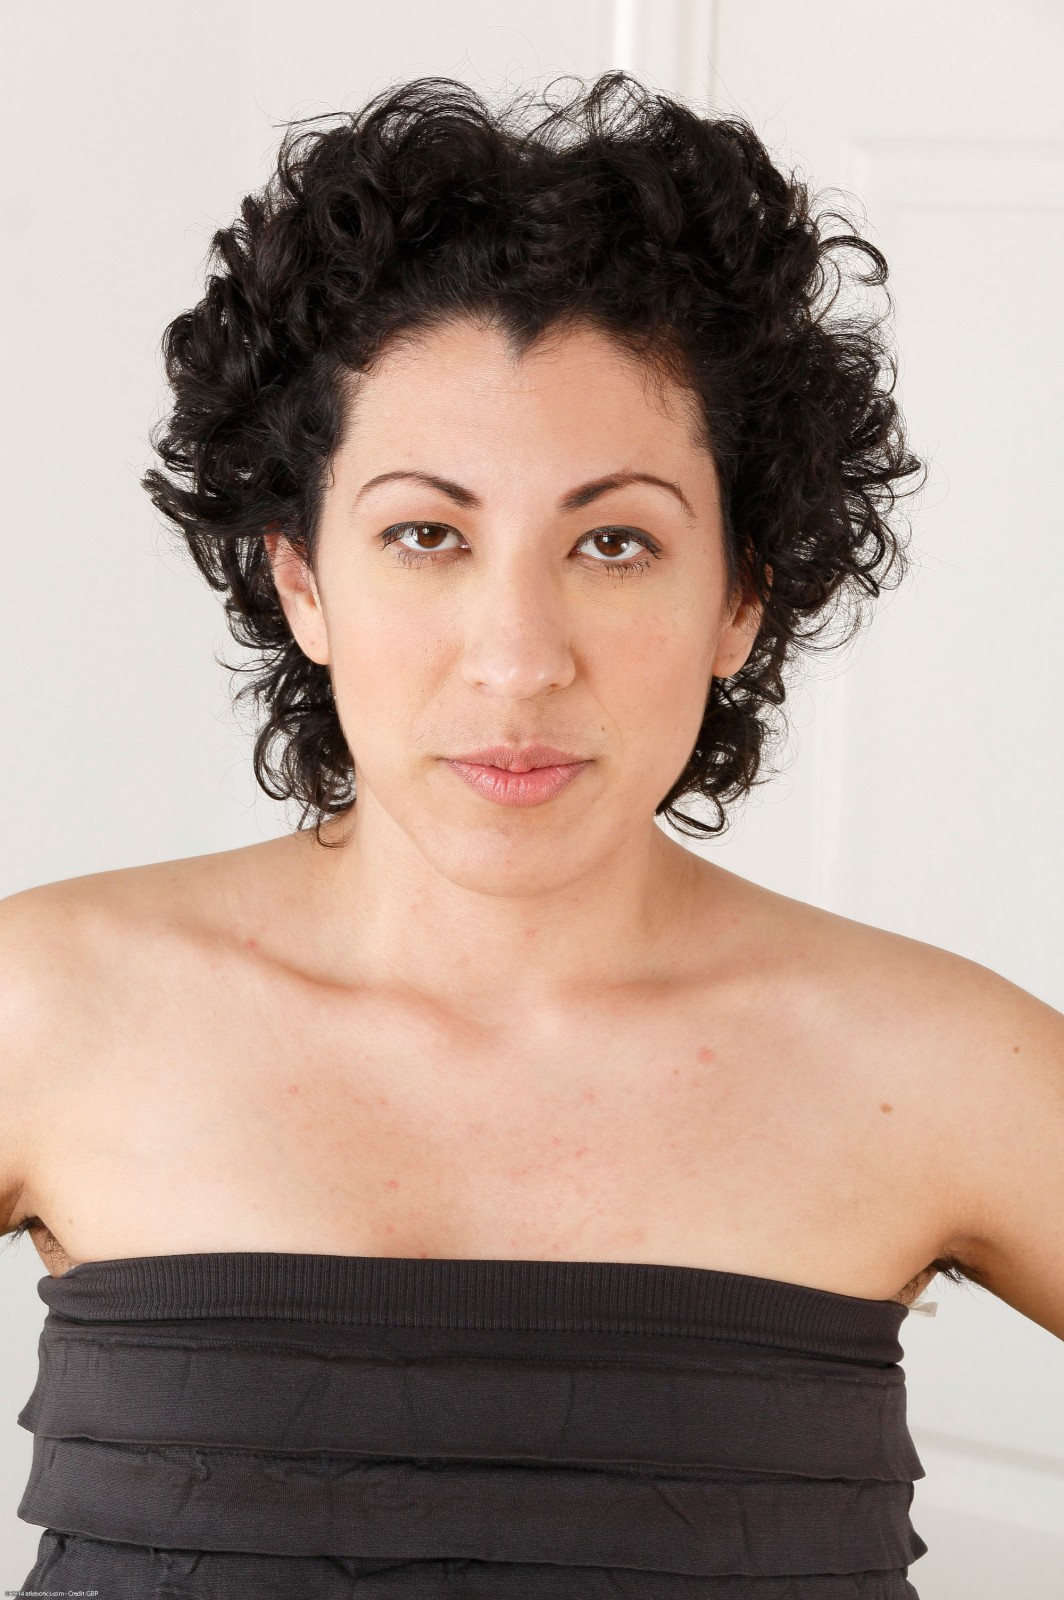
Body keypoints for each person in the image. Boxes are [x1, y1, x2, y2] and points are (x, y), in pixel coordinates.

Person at [2, 70, 1061, 1598]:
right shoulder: (45, 1003)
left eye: (613, 542)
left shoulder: (942, 1064)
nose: (517, 659)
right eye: (426, 535)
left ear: (740, 598)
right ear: (302, 582)